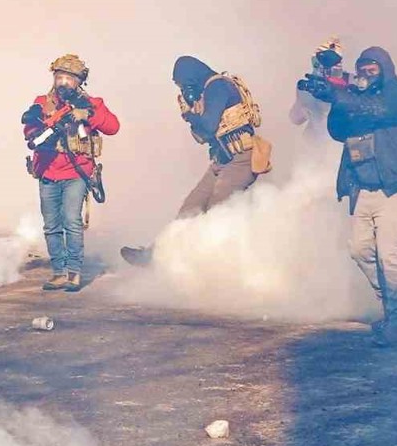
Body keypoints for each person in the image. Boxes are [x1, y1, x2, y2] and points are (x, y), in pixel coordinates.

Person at [315, 46, 397, 347]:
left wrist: (341, 95)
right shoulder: (357, 99)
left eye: (373, 67)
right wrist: (336, 97)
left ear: (385, 68)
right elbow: (337, 130)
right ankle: (390, 306)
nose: (366, 73)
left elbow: (382, 111)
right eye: (362, 68)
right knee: (359, 249)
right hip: (365, 188)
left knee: (389, 254)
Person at [120, 56, 271, 265]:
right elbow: (203, 136)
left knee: (217, 212)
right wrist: (192, 115)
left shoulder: (218, 87)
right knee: (191, 208)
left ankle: (212, 267)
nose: (183, 90)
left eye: (182, 84)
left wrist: (191, 115)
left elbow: (208, 126)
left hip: (240, 158)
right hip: (222, 159)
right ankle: (156, 257)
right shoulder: (207, 91)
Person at [22, 54, 119, 292]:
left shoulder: (91, 103)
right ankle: (59, 272)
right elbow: (29, 130)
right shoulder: (42, 103)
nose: (63, 83)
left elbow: (113, 126)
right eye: (59, 77)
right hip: (47, 173)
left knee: (72, 222)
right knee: (51, 226)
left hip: (77, 174)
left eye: (69, 79)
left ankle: (73, 273)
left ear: (79, 82)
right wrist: (39, 129)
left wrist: (88, 116)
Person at [289, 37, 346, 140]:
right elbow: (295, 118)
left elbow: (295, 119)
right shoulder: (310, 86)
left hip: (332, 141)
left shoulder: (349, 87)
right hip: (315, 141)